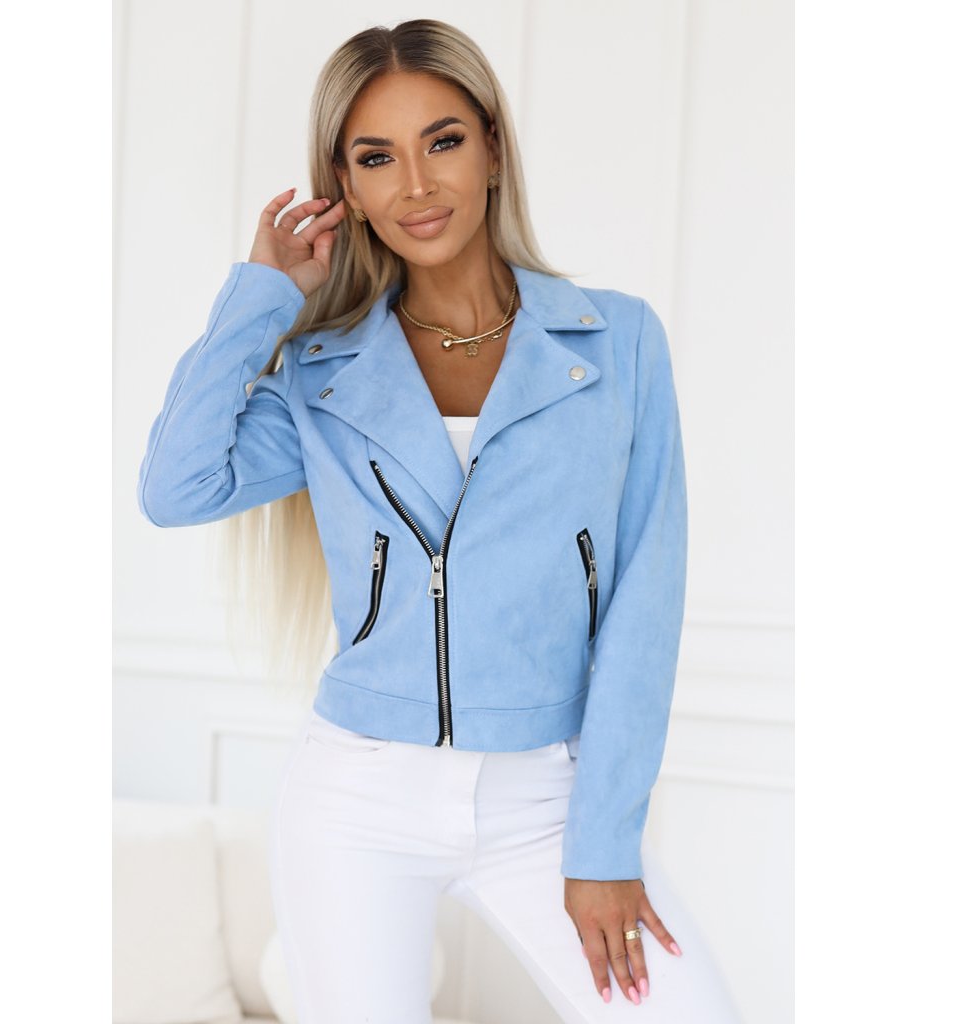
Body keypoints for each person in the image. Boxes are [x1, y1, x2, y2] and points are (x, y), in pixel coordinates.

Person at [136, 18, 742, 1024]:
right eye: (377, 158)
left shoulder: (615, 343)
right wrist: (263, 295)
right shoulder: (325, 372)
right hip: (356, 799)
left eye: (443, 141)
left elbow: (646, 599)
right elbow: (176, 486)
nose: (416, 186)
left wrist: (603, 845)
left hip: (547, 795)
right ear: (345, 185)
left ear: (494, 147)